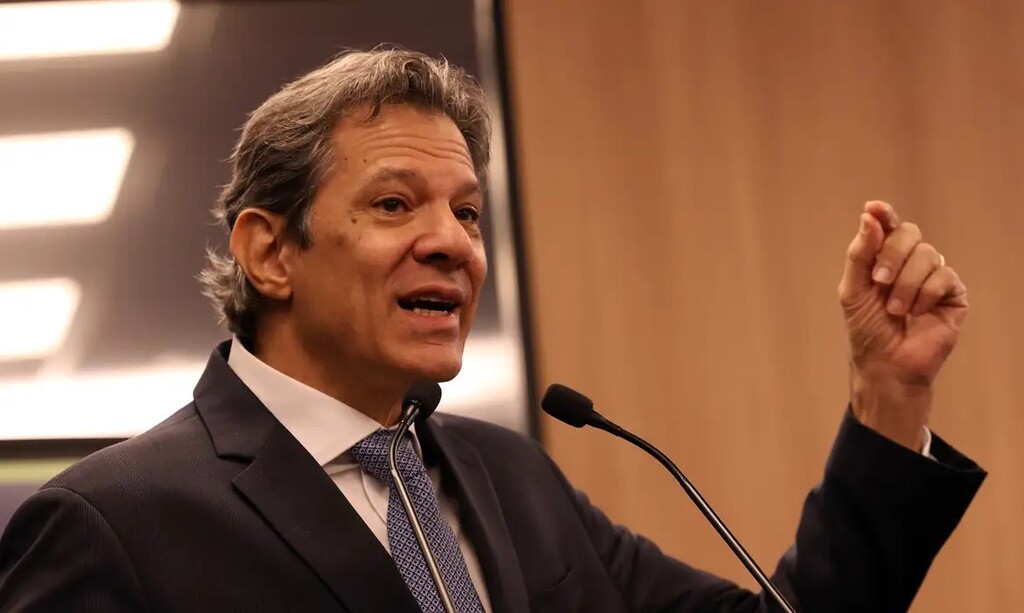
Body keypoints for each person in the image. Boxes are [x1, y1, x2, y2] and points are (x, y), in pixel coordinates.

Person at [0, 49, 985, 612]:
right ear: (270, 251)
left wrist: (888, 395)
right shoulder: (112, 523)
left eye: (467, 213)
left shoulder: (512, 476)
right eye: (395, 204)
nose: (453, 244)